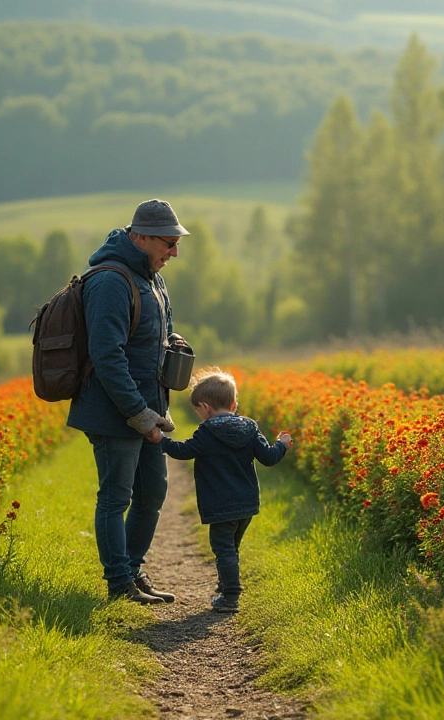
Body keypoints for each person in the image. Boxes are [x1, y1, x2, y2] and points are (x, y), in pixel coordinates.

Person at [67, 198, 187, 604]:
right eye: (168, 243)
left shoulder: (152, 277)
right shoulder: (109, 281)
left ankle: (133, 572)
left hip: (149, 408)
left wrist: (174, 345)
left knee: (152, 492)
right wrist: (138, 413)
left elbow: (157, 333)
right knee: (116, 496)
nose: (174, 252)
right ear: (140, 237)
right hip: (113, 410)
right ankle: (119, 585)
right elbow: (107, 356)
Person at [155, 368, 292, 613]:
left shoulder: (207, 432)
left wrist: (161, 440)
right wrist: (281, 445)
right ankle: (226, 584)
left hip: (220, 504)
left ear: (205, 407)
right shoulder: (250, 428)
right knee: (232, 547)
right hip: (247, 503)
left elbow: (183, 451)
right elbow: (269, 458)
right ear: (234, 403)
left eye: (198, 411)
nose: (199, 416)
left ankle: (230, 596)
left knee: (223, 549)